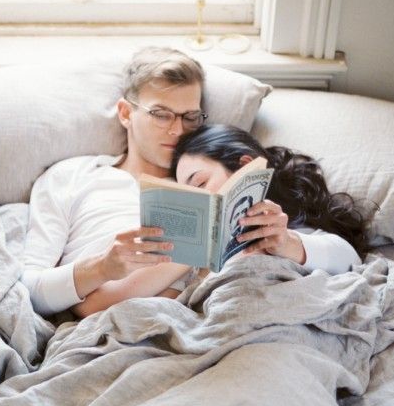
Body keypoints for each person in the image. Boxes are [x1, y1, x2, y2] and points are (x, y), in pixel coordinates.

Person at [22, 47, 363, 319]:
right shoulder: (73, 176)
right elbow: (30, 291)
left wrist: (288, 242)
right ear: (126, 113)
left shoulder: (214, 177)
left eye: (190, 117)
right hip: (113, 316)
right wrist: (101, 267)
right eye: (161, 114)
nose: (177, 130)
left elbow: (347, 260)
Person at [172, 124, 369, 270]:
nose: (195, 201)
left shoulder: (290, 227)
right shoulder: (191, 258)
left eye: (199, 184)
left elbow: (352, 262)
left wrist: (288, 243)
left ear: (243, 167)